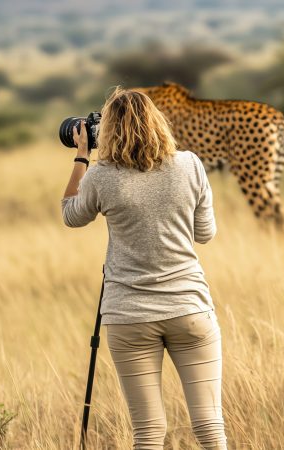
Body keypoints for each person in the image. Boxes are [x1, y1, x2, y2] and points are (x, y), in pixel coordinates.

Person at [61, 88, 227, 450]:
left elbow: (71, 216)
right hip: (189, 307)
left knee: (148, 433)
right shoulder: (190, 164)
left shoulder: (102, 175)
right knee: (210, 428)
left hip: (128, 316)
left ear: (108, 130)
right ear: (157, 122)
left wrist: (81, 157)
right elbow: (206, 234)